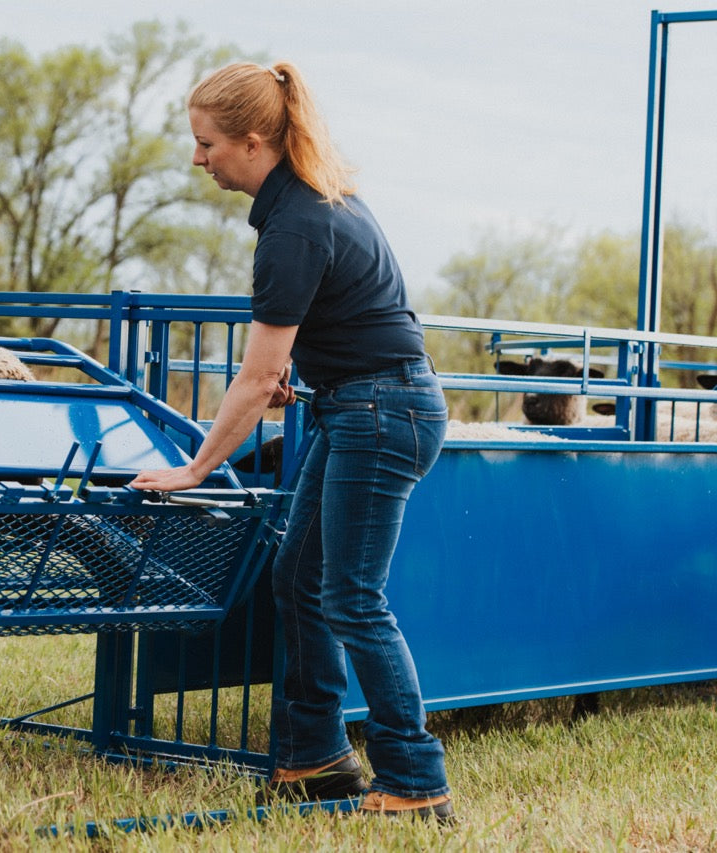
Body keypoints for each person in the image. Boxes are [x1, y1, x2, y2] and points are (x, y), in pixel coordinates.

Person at [128, 60, 453, 822]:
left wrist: (196, 468)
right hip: (363, 402)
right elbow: (343, 323)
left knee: (352, 597)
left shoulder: (298, 226)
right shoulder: (317, 200)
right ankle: (314, 757)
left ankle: (415, 779)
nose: (197, 158)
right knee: (298, 575)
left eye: (207, 144)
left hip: (381, 412)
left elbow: (251, 378)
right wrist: (300, 373)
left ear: (252, 142)